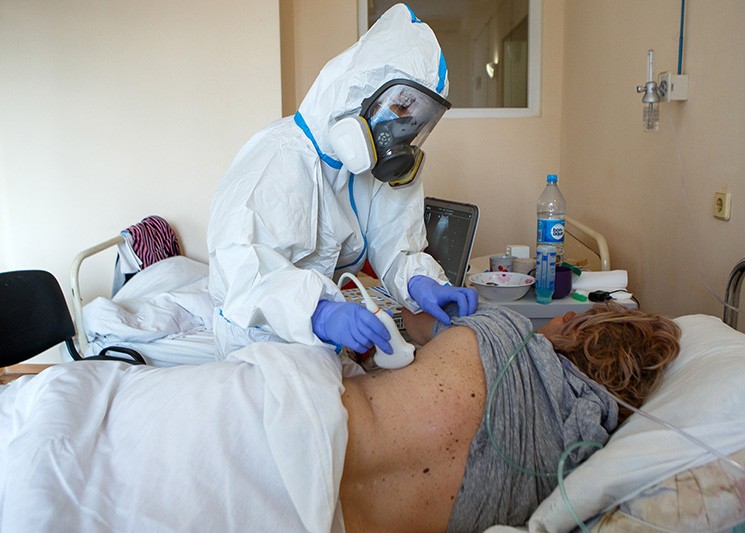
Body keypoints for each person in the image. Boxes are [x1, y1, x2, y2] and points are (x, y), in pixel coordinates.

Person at [0, 302, 680, 531]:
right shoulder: (552, 471)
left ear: (574, 323)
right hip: (291, 517)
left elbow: (404, 327)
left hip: (259, 423)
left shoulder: (500, 332)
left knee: (70, 411)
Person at [206, 3, 477, 359]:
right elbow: (242, 271)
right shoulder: (279, 158)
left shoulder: (373, 168)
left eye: (415, 121)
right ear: (356, 91)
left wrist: (420, 280)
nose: (401, 132)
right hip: (256, 341)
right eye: (399, 110)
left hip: (318, 344)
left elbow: (396, 246)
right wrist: (319, 311)